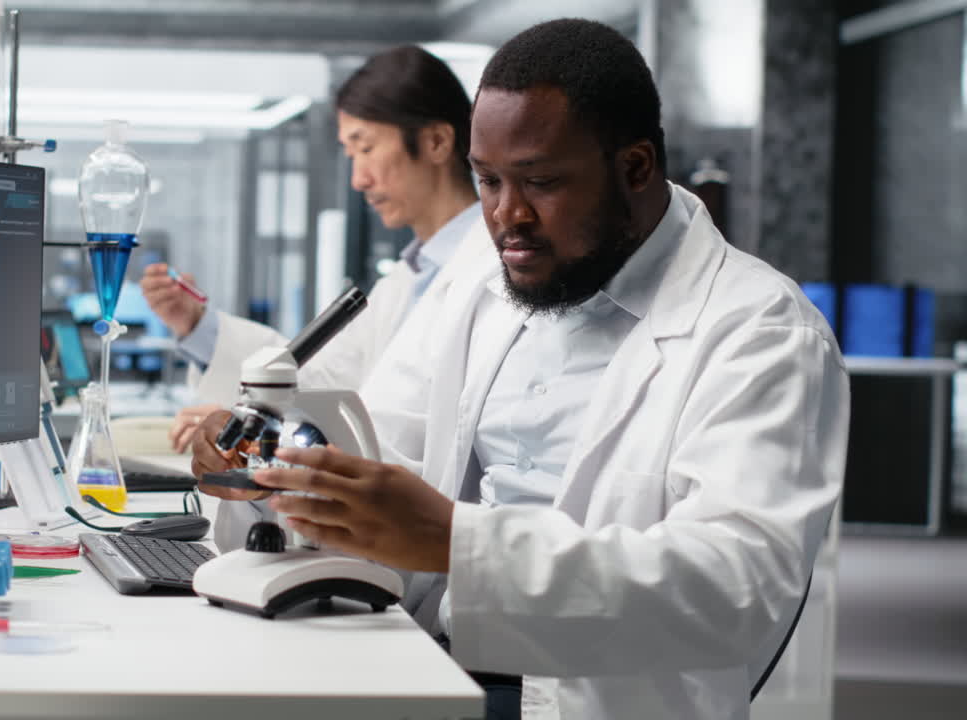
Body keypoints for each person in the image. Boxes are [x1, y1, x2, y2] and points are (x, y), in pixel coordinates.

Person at [192, 19, 849, 720]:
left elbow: (735, 586)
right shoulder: (483, 285)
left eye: (540, 181)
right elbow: (379, 451)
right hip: (425, 656)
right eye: (488, 181)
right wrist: (265, 467)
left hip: (590, 701)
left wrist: (457, 542)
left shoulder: (761, 331)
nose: (507, 216)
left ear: (634, 167)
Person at [141, 45, 491, 452]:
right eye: (350, 153)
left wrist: (276, 433)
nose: (358, 179)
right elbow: (312, 379)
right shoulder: (405, 279)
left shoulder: (494, 273)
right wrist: (199, 327)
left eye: (366, 147)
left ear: (435, 141)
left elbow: (412, 431)